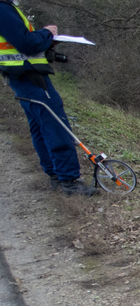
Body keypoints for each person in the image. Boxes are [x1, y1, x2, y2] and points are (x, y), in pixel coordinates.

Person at [0, 0, 94, 196]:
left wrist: (46, 40)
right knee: (55, 124)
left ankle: (57, 176)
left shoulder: (7, 7)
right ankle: (68, 180)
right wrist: (47, 33)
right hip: (29, 76)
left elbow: (19, 42)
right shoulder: (3, 8)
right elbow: (26, 43)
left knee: (40, 126)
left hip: (22, 76)